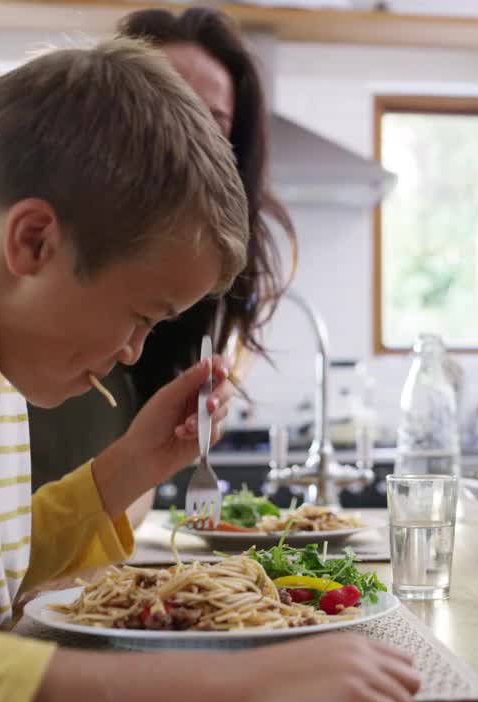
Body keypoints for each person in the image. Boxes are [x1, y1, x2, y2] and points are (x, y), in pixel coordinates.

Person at [0, 39, 417, 702]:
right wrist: (228, 689)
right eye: (141, 316)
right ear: (33, 241)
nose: (132, 353)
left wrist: (131, 465)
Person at [27, 6, 297, 527]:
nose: (183, 148)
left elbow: (53, 546)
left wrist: (147, 459)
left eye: (209, 124)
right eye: (164, 108)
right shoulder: (33, 260)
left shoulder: (183, 318)